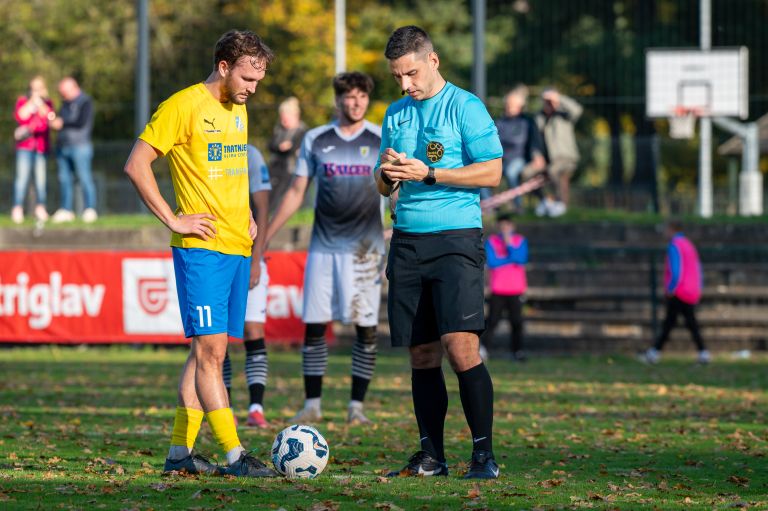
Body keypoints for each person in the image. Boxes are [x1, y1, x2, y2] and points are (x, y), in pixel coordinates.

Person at [124, 30, 277, 477]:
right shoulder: (183, 105)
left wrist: (246, 212)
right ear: (224, 67)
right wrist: (173, 219)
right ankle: (234, 455)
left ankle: (178, 454)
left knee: (206, 354)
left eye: (259, 80)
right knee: (211, 353)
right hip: (202, 250)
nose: (253, 88)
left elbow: (228, 170)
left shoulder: (238, 108)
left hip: (236, 244)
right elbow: (136, 164)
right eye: (248, 78)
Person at [375, 26, 503, 479]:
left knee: (461, 346)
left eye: (410, 73)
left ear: (432, 60)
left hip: (455, 239)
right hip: (407, 241)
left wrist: (431, 173)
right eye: (397, 77)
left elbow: (492, 172)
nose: (405, 84)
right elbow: (380, 180)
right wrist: (389, 175)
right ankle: (432, 456)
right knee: (421, 354)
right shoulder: (395, 113)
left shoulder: (465, 106)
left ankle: (484, 456)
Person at [266, 72, 383, 425]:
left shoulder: (382, 138)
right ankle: (312, 403)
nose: (356, 101)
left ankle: (356, 407)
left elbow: (394, 190)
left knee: (366, 327)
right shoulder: (316, 139)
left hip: (365, 249)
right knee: (315, 324)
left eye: (362, 95)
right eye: (350, 95)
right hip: (324, 247)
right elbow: (296, 192)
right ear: (338, 100)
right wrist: (267, 233)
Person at [222, 144, 272, 428]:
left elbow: (262, 210)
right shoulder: (205, 145)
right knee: (219, 336)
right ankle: (223, 407)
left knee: (253, 328)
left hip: (247, 255)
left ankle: (256, 407)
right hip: (215, 255)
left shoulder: (250, 153)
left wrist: (256, 259)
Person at [641, 221, 710, 365]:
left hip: (679, 291)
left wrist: (670, 289)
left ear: (672, 229)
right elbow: (698, 269)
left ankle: (654, 353)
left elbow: (676, 271)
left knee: (672, 323)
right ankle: (702, 352)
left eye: (666, 229)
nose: (665, 232)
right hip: (691, 290)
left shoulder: (675, 246)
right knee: (684, 323)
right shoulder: (689, 245)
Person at [480, 84, 545, 208]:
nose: (509, 107)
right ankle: (490, 207)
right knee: (484, 174)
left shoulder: (527, 122)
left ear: (520, 106)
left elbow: (534, 142)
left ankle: (517, 206)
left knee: (511, 172)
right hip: (500, 159)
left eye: (513, 105)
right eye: (508, 104)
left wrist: (537, 155)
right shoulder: (499, 122)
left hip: (519, 158)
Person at [479, 211, 528, 362]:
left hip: (516, 288)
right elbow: (492, 262)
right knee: (492, 321)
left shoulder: (520, 240)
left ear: (512, 226)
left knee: (517, 322)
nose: (505, 229)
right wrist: (510, 258)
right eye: (502, 226)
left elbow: (521, 259)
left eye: (507, 226)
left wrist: (509, 246)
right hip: (498, 288)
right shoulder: (492, 241)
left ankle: (517, 352)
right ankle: (483, 349)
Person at [50, 77, 98, 223]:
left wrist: (62, 123)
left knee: (84, 178)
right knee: (64, 180)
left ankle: (90, 209)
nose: (63, 95)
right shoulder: (64, 103)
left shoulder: (86, 102)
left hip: (80, 147)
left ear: (74, 87)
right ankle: (66, 210)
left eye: (64, 92)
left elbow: (81, 122)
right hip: (62, 147)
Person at [12, 76, 55, 224]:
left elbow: (49, 119)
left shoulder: (48, 103)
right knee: (21, 179)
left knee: (41, 180)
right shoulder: (23, 101)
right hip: (25, 147)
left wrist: (41, 104)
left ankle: (40, 207)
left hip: (41, 147)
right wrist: (31, 103)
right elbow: (20, 117)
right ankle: (17, 208)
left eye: (39, 88)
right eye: (33, 88)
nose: (36, 91)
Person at [535, 86, 582, 217]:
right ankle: (546, 202)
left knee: (553, 171)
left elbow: (577, 110)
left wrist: (559, 99)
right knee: (530, 172)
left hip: (566, 157)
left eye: (550, 101)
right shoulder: (540, 117)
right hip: (548, 159)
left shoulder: (564, 115)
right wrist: (537, 156)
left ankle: (559, 204)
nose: (548, 104)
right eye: (546, 101)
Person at [267, 97, 307, 208]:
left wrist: (290, 148)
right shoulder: (279, 129)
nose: (283, 122)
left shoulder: (302, 131)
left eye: (286, 119)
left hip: (290, 170)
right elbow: (270, 145)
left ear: (295, 116)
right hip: (274, 167)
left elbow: (297, 149)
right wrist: (279, 147)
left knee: (278, 201)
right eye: (282, 119)